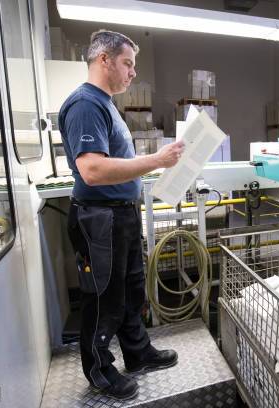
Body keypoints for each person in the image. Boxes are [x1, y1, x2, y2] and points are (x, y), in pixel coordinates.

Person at [59, 29, 185, 400]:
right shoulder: (85, 104)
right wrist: (156, 160)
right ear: (104, 60)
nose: (132, 73)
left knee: (131, 290)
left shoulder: (106, 103)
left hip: (120, 215)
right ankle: (99, 370)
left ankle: (137, 352)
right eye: (127, 63)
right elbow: (93, 170)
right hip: (99, 219)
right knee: (104, 297)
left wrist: (158, 164)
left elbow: (114, 163)